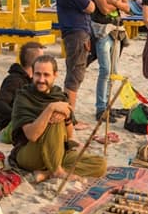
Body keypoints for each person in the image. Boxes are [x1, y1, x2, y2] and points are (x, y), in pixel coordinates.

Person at [9, 55, 106, 183]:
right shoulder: (24, 97)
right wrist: (50, 109)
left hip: (58, 152)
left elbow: (70, 134)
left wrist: (66, 117)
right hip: (30, 153)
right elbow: (31, 135)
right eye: (38, 74)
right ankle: (57, 171)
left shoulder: (59, 95)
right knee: (55, 119)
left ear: (55, 75)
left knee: (100, 165)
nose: (41, 79)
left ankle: (47, 173)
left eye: (46, 75)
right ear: (32, 74)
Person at [87, 0, 130, 123]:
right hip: (102, 30)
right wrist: (116, 4)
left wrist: (112, 1)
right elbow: (103, 9)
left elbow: (128, 7)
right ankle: (101, 108)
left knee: (113, 71)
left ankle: (108, 106)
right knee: (105, 70)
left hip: (116, 30)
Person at [56, 0, 95, 125]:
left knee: (76, 72)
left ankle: (69, 116)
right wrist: (90, 5)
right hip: (76, 31)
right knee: (75, 75)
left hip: (78, 31)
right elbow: (89, 5)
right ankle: (69, 120)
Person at [0, 42, 45, 139]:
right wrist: (20, 116)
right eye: (42, 59)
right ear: (35, 62)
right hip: (10, 128)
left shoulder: (33, 80)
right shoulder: (14, 80)